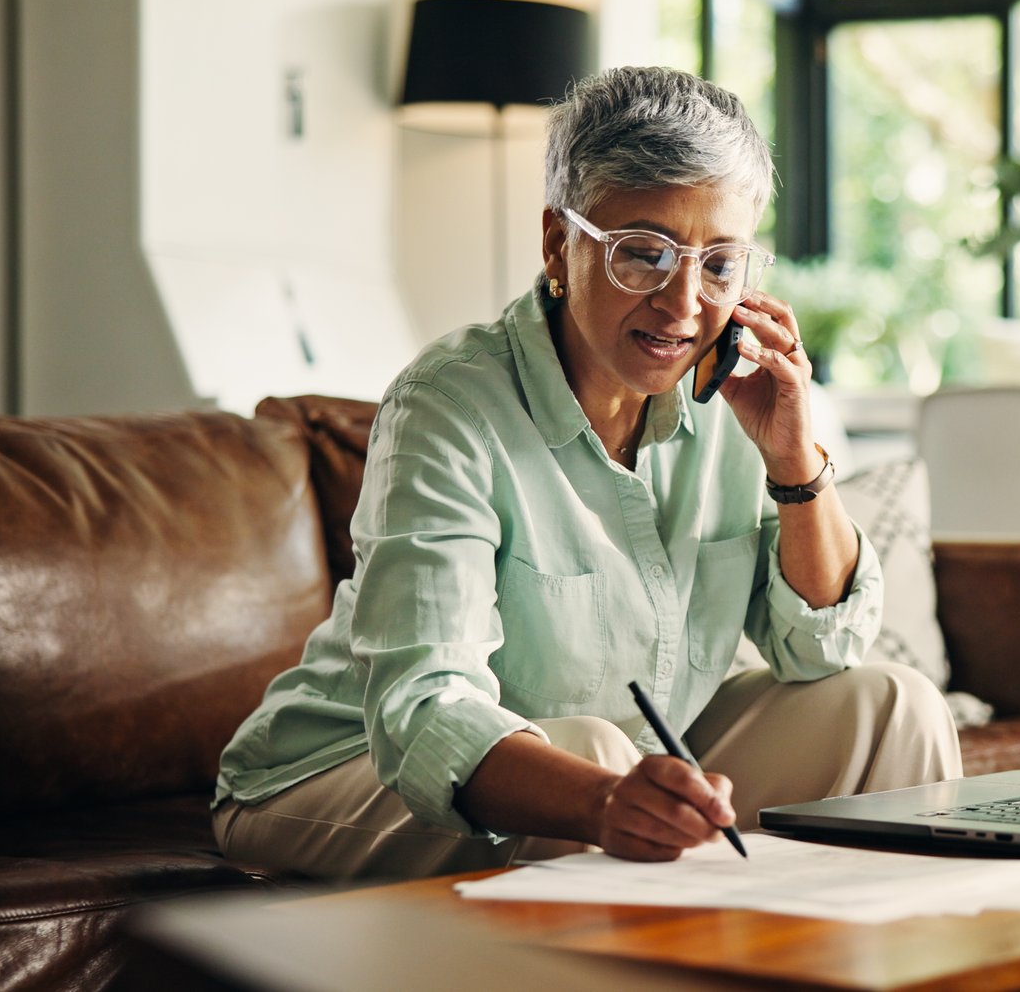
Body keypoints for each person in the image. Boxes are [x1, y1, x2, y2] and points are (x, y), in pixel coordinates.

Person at [211, 67, 961, 880]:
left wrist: (794, 464)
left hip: (619, 750)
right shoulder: (449, 407)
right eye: (644, 254)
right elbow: (426, 711)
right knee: (591, 754)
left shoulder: (730, 396)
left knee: (896, 706)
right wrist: (604, 799)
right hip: (341, 769)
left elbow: (823, 652)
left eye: (719, 264)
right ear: (557, 245)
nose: (683, 305)